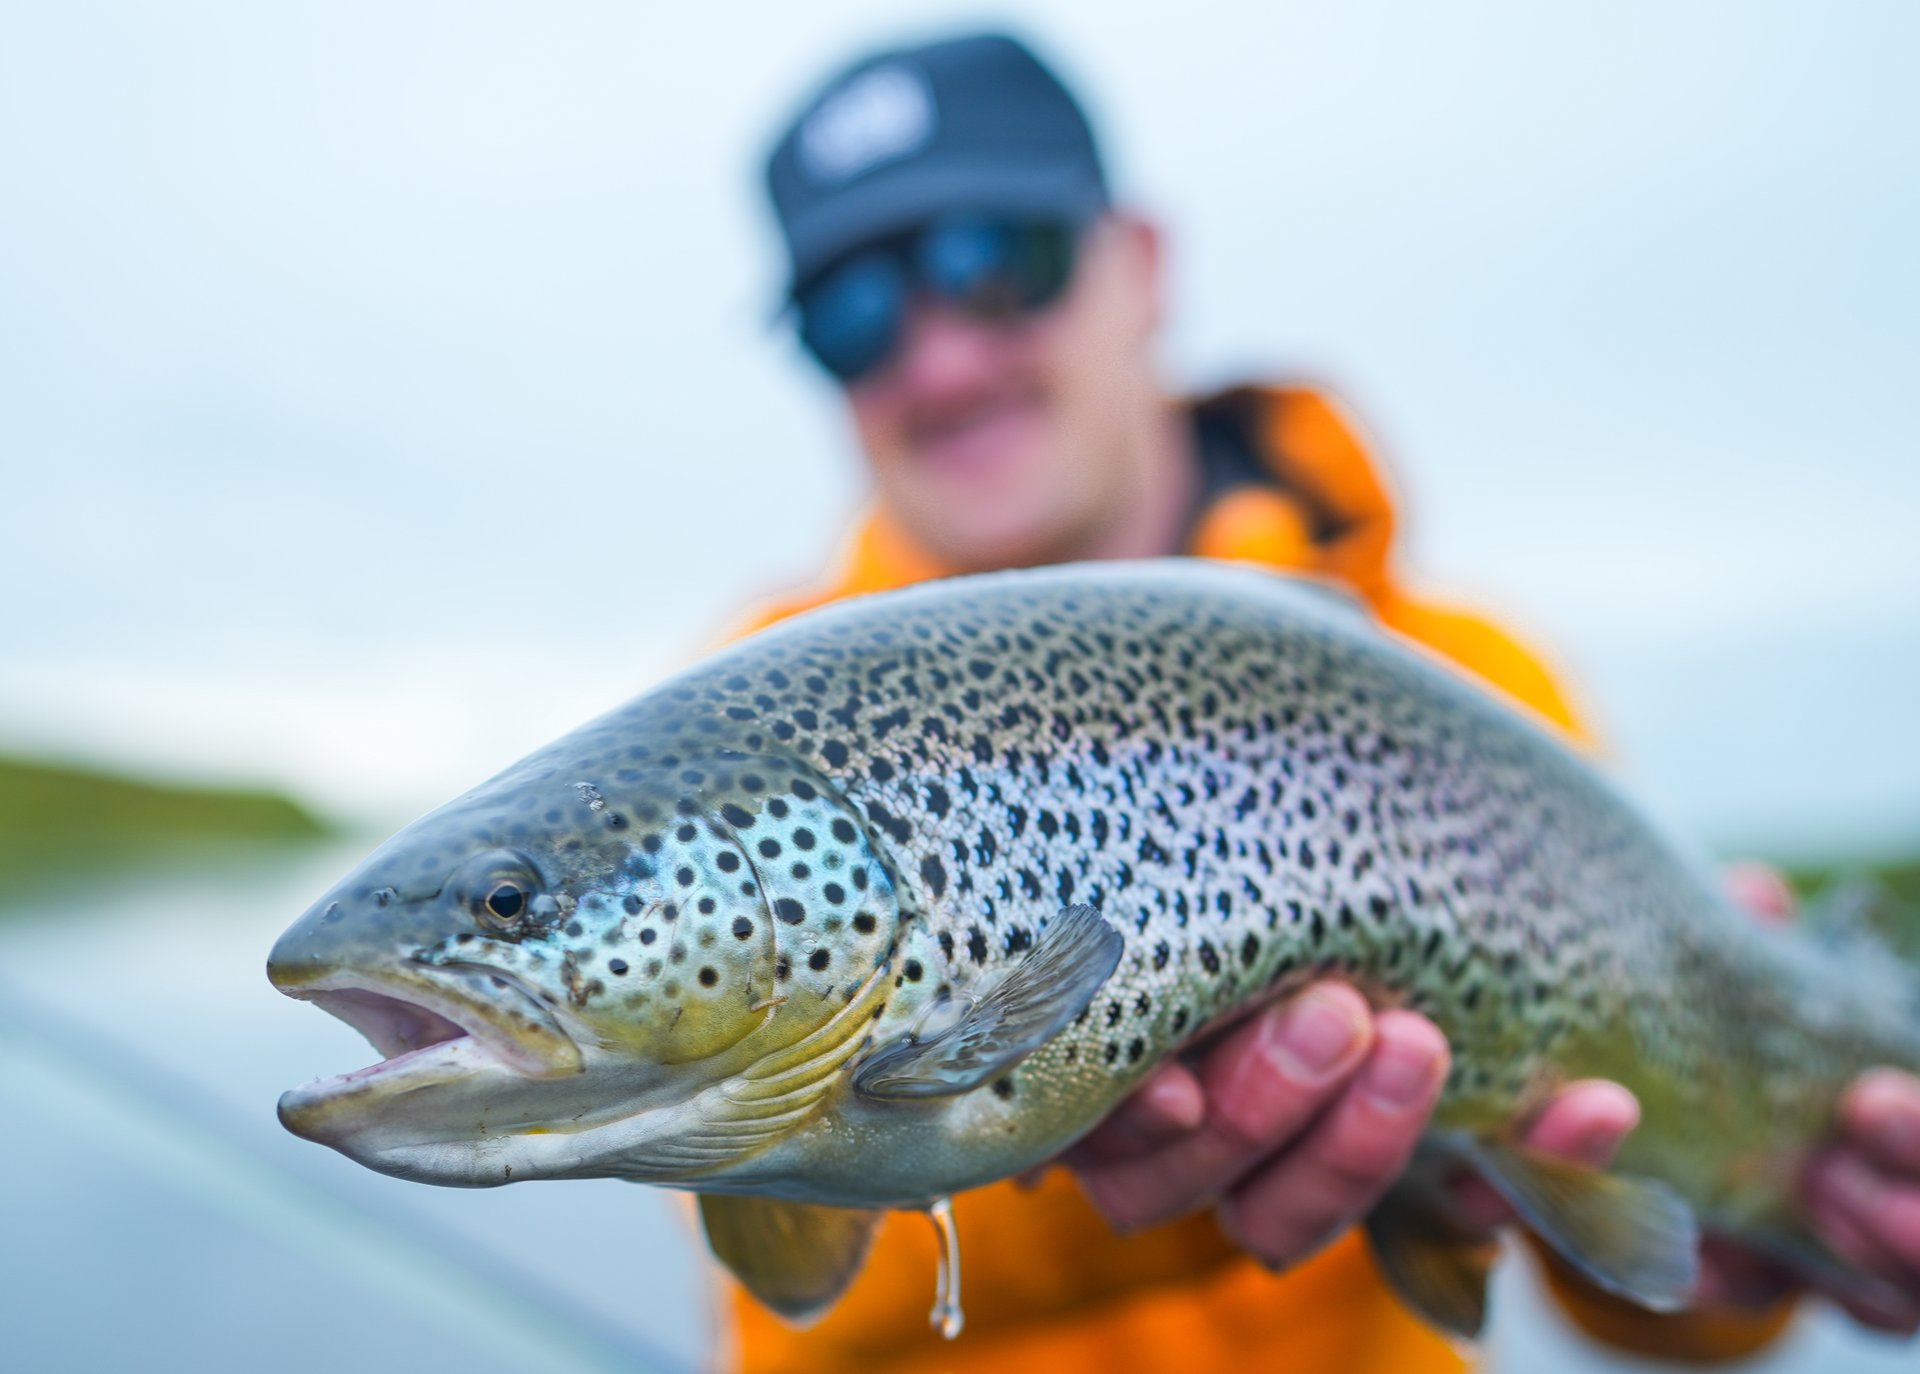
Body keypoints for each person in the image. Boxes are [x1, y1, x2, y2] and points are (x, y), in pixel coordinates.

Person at [722, 31, 1920, 1374]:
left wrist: (1752, 1237)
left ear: (1143, 263)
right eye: (851, 315)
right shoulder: (740, 748)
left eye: (996, 262)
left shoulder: (1461, 675)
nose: (938, 361)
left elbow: (1627, 1251)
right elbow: (787, 1237)